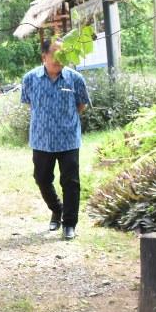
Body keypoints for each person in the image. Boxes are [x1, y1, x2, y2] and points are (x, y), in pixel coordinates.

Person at [20, 37, 91, 240]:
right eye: (55, 53)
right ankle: (57, 209)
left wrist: (64, 121)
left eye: (63, 54)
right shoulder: (30, 79)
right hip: (41, 140)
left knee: (70, 182)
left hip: (68, 139)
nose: (60, 58)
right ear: (44, 56)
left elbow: (81, 105)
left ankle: (69, 224)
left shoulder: (75, 79)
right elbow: (29, 104)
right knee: (41, 179)